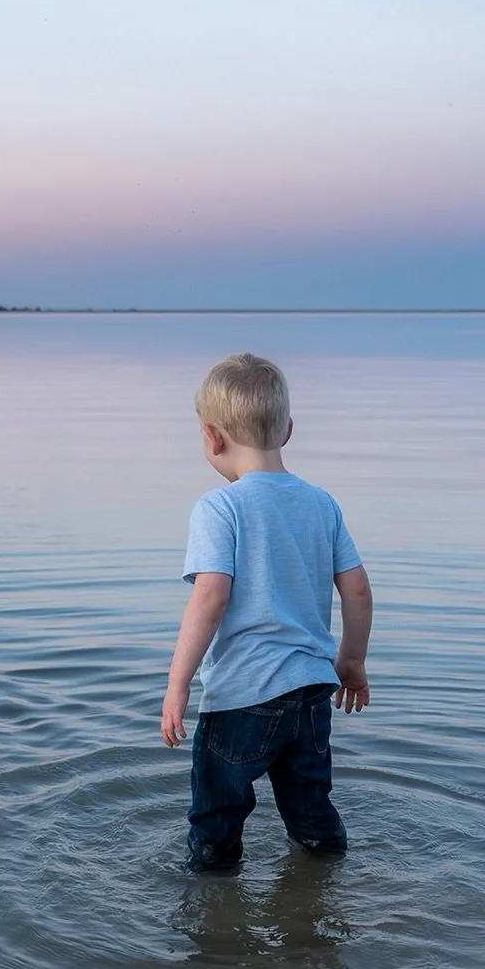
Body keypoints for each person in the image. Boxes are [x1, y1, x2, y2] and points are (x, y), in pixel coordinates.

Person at [161, 352, 373, 870]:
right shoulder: (321, 504)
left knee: (218, 817)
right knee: (310, 810)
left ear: (212, 437)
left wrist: (177, 683)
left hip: (242, 696)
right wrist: (351, 661)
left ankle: (213, 911)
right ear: (289, 430)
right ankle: (326, 881)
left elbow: (210, 597)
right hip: (310, 692)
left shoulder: (221, 507)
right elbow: (358, 590)